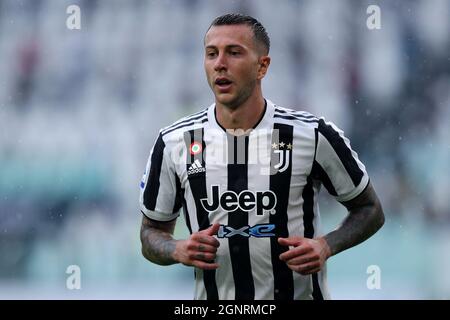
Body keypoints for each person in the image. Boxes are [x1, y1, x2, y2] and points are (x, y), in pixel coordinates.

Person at [139, 13, 384, 300]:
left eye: (234, 53)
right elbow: (150, 232)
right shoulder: (175, 142)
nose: (220, 64)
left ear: (262, 66)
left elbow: (370, 210)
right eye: (211, 54)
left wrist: (326, 245)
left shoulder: (311, 134)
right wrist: (177, 249)